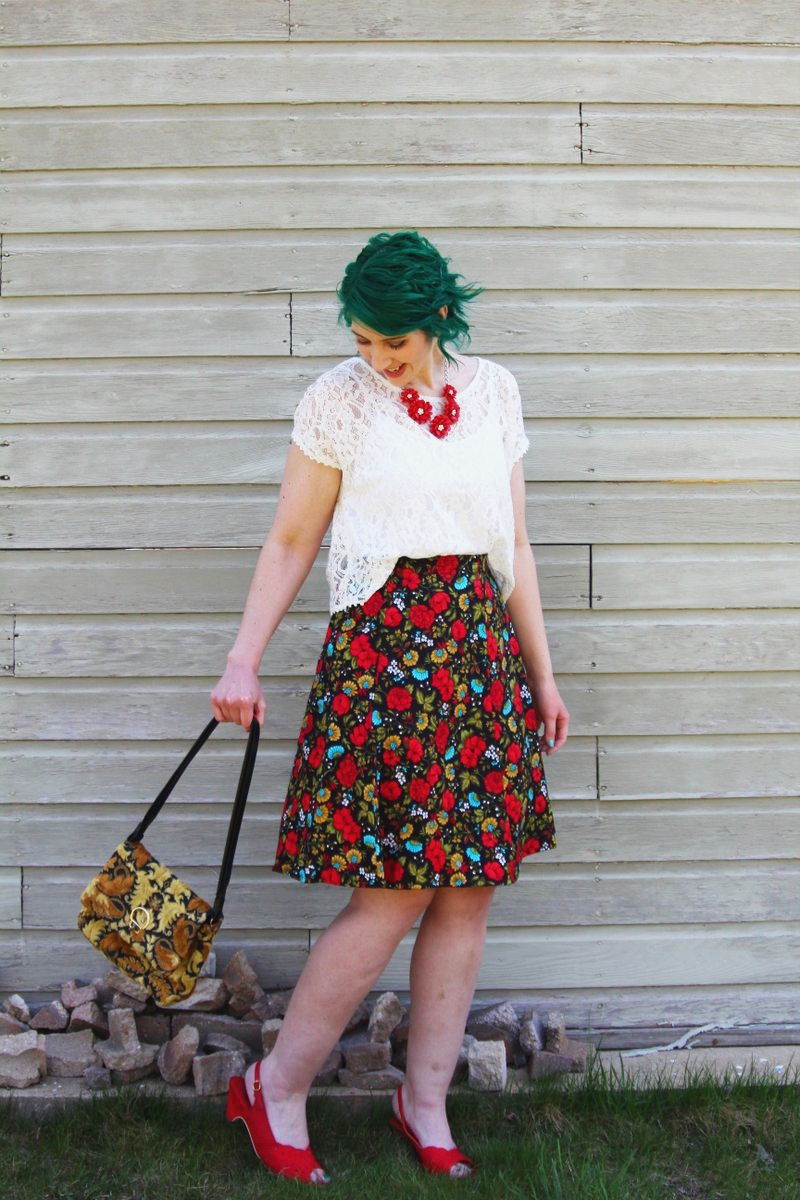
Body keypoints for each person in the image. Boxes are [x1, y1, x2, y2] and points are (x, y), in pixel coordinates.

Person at [211, 230, 570, 1184]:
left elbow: (516, 548)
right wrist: (242, 659)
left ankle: (425, 1104)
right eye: (364, 339)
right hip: (384, 668)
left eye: (394, 345)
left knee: (467, 892)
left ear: (437, 322)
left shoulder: (493, 393)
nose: (377, 359)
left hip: (479, 664)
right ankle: (276, 1087)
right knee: (392, 893)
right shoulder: (337, 401)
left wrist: (544, 678)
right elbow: (291, 540)